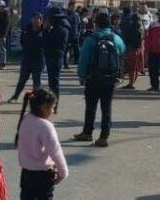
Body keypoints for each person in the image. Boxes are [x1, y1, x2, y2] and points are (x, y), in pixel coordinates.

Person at [11, 89, 68, 200]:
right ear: (44, 107)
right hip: (44, 174)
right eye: (52, 107)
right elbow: (55, 151)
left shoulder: (26, 119)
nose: (53, 110)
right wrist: (63, 172)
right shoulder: (45, 126)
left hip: (27, 172)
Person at [75, 12, 126, 147]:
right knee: (106, 107)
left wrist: (81, 75)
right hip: (110, 78)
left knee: (90, 107)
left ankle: (87, 132)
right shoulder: (116, 38)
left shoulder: (91, 39)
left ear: (96, 24)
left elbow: (83, 58)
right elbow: (122, 51)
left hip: (93, 78)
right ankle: (104, 136)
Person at [10, 12, 46, 103]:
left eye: (38, 18)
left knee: (36, 81)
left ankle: (37, 100)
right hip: (27, 59)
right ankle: (15, 97)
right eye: (34, 18)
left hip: (38, 60)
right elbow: (22, 41)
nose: (35, 20)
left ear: (41, 21)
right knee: (22, 79)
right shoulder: (26, 30)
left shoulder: (44, 32)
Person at [43, 8, 69, 104]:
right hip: (55, 56)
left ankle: (54, 104)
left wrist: (45, 30)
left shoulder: (59, 29)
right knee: (53, 81)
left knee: (53, 82)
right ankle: (53, 103)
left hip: (55, 56)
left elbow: (47, 41)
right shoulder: (62, 28)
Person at [144, 9, 160, 92]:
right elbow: (148, 38)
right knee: (152, 70)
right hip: (152, 51)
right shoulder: (153, 25)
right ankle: (154, 86)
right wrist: (147, 50)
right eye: (159, 15)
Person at [120, 12, 145, 90]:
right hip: (139, 49)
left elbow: (126, 37)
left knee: (131, 67)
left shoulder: (132, 27)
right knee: (136, 67)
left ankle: (131, 84)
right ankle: (132, 82)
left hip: (132, 49)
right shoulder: (141, 27)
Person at [65, 0, 82, 68]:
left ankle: (77, 62)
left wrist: (78, 32)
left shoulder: (77, 15)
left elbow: (79, 24)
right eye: (72, 7)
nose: (73, 8)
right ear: (69, 7)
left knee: (76, 49)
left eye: (74, 7)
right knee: (66, 50)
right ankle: (65, 63)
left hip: (75, 35)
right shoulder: (66, 14)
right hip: (68, 35)